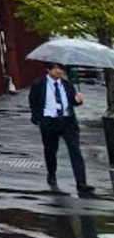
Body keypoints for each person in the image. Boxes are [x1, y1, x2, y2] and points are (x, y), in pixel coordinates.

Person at [30, 62, 96, 197]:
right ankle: (51, 173)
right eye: (55, 68)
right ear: (48, 70)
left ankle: (81, 184)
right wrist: (38, 119)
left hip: (67, 122)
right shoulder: (39, 84)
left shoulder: (66, 84)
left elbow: (73, 102)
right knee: (50, 150)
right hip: (49, 121)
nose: (58, 71)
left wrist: (78, 100)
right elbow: (33, 102)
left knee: (75, 152)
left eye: (60, 68)